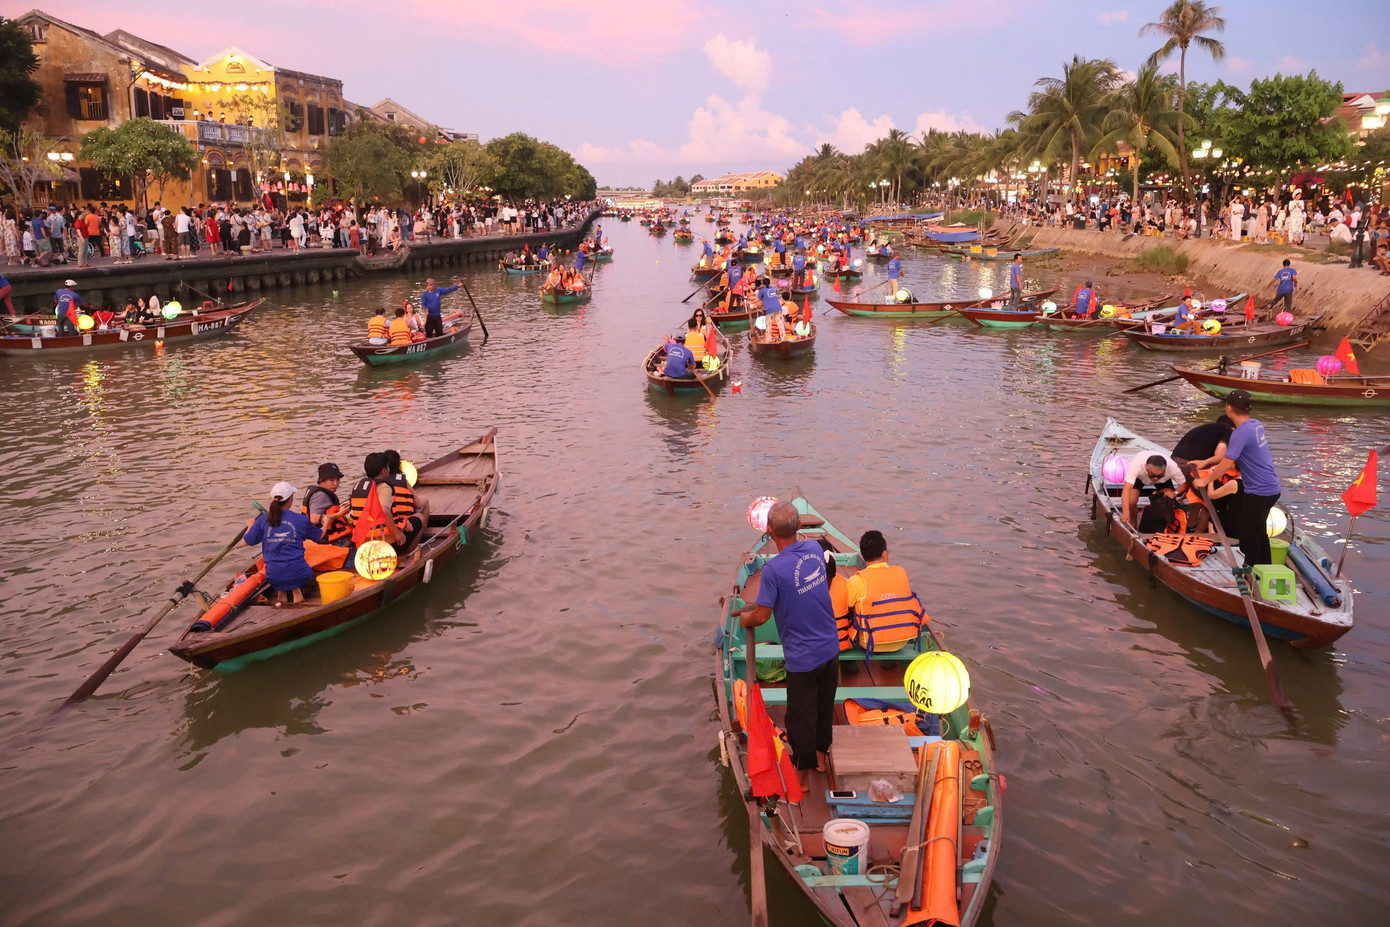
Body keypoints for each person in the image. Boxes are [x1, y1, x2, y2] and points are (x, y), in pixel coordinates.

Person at [739, 501, 839, 785]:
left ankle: (803, 779)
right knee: (823, 706)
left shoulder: (773, 571)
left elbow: (761, 615)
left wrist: (746, 620)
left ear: (769, 531)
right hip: (830, 648)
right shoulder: (815, 549)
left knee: (800, 718)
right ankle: (821, 758)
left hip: (803, 659)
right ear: (798, 527)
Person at [1193, 389, 1281, 575]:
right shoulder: (1256, 425)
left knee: (1248, 536)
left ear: (1229, 408)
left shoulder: (1240, 433)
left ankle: (1251, 572)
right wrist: (1207, 462)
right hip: (1271, 488)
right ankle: (1265, 568)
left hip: (1259, 492)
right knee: (1258, 532)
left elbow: (1227, 464)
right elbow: (1232, 455)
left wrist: (1205, 480)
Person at [842, 530, 925, 654]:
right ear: (884, 554)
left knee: (846, 611)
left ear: (863, 556)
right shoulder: (900, 572)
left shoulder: (857, 580)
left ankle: (849, 664)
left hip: (870, 643)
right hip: (902, 641)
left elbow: (846, 604)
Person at [243, 481, 323, 605]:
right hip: (299, 575)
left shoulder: (263, 520)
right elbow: (319, 535)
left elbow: (246, 541)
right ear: (291, 499)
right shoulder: (300, 519)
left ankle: (283, 595)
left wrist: (250, 526)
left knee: (283, 577)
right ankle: (297, 594)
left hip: (274, 576)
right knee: (304, 576)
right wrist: (327, 522)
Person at [1121, 452, 1187, 530]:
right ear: (1146, 468)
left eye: (1159, 475)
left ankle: (1163, 525)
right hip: (1140, 477)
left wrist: (1174, 493)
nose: (1155, 478)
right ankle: (1133, 523)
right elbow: (1126, 490)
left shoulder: (1172, 467)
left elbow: (1184, 484)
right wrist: (1125, 513)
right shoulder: (1136, 466)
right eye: (1153, 475)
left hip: (1163, 481)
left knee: (1167, 500)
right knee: (1131, 501)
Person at [383, 449, 430, 552]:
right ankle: (415, 544)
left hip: (383, 531)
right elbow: (418, 504)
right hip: (403, 526)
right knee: (424, 503)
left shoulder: (378, 483)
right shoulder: (402, 480)